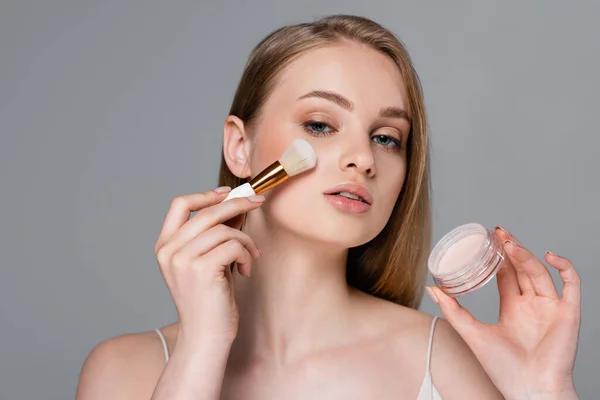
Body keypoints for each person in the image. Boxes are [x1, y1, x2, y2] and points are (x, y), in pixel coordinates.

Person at [75, 15, 581, 400]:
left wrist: (544, 391)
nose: (362, 158)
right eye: (320, 125)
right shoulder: (124, 371)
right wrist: (202, 347)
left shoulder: (444, 362)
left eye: (387, 138)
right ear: (239, 146)